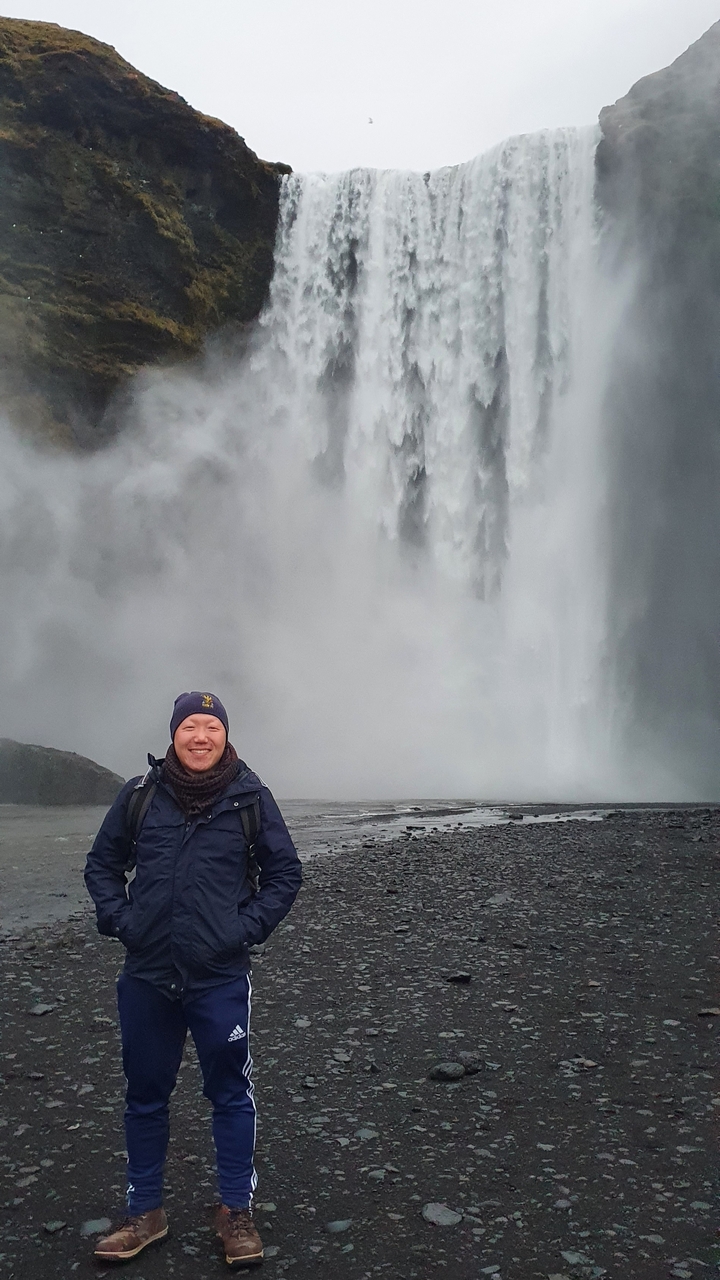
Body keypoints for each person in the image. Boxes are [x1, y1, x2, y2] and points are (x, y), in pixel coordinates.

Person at [84, 691, 302, 1268]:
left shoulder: (251, 797)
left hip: (219, 976)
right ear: (174, 734)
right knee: (145, 1095)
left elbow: (285, 872)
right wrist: (122, 921)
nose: (200, 737)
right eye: (190, 727)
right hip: (148, 973)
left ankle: (236, 1213)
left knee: (231, 1094)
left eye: (211, 727)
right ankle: (145, 1213)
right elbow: (102, 864)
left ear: (225, 736)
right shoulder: (140, 795)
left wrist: (243, 929)